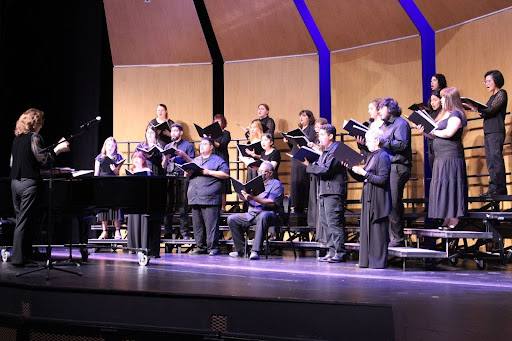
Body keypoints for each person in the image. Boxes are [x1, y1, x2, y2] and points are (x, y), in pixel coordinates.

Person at [10, 108, 70, 267]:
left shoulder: (17, 139)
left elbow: (12, 162)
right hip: (29, 184)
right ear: (34, 122)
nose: (42, 126)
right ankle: (17, 259)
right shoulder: (34, 137)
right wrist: (59, 149)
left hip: (15, 183)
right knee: (24, 222)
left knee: (22, 221)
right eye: (41, 123)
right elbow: (44, 160)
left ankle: (24, 257)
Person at [417, 87, 468, 229]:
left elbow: (448, 132)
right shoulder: (443, 114)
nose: (442, 100)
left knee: (451, 185)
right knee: (443, 185)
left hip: (451, 156)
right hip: (440, 157)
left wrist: (433, 130)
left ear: (451, 99)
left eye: (444, 97)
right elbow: (435, 134)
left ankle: (454, 218)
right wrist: (425, 132)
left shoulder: (456, 114)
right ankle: (446, 216)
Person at [345, 128, 392, 268]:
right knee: (367, 229)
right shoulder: (372, 156)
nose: (367, 144)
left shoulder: (383, 155)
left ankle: (377, 262)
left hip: (378, 198)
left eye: (369, 141)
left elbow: (383, 179)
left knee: (377, 231)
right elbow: (363, 176)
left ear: (377, 141)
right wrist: (350, 169)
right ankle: (366, 261)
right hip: (369, 196)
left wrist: (364, 173)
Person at [305, 124, 347, 263]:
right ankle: (332, 251)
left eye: (322, 134)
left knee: (334, 223)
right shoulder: (325, 151)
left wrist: (309, 166)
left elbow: (326, 170)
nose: (320, 137)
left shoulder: (337, 150)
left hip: (333, 192)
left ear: (330, 136)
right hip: (324, 191)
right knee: (326, 223)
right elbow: (319, 166)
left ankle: (340, 252)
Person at [463, 70, 508, 196]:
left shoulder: (501, 93)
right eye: (485, 81)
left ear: (496, 80)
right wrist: (472, 108)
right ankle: (493, 188)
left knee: (496, 159)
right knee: (490, 161)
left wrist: (476, 107)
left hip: (496, 131)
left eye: (489, 81)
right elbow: (485, 112)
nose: (486, 83)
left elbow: (492, 109)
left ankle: (500, 188)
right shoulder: (492, 96)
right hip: (489, 131)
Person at [228, 161, 284, 260]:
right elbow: (246, 198)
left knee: (263, 216)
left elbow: (271, 202)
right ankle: (242, 251)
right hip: (253, 214)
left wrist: (253, 197)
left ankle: (256, 250)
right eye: (259, 171)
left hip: (270, 215)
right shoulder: (256, 183)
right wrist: (241, 194)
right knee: (232, 219)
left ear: (270, 173)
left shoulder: (276, 184)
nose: (260, 173)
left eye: (263, 172)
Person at [186, 137, 230, 256]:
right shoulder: (195, 160)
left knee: (211, 225)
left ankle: (213, 247)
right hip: (195, 197)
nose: (201, 146)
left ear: (211, 147)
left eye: (205, 144)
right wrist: (187, 173)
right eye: (200, 144)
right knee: (197, 225)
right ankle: (200, 247)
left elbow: (226, 174)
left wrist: (209, 172)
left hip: (210, 197)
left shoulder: (217, 160)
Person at [378, 97, 412, 247]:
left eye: (382, 108)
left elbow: (402, 145)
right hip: (386, 167)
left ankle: (397, 238)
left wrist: (382, 142)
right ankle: (389, 237)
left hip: (397, 166)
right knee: (386, 203)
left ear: (390, 109)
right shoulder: (384, 126)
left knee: (394, 202)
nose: (379, 111)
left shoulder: (400, 124)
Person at [161, 123, 195, 239]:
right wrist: (165, 158)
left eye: (176, 131)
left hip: (182, 176)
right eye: (172, 131)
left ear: (180, 132)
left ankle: (184, 232)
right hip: (170, 176)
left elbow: (192, 162)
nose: (173, 133)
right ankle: (167, 232)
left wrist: (183, 155)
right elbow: (163, 166)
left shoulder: (187, 146)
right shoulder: (168, 146)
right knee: (168, 206)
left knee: (182, 206)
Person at [127, 152, 160, 257]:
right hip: (133, 200)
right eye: (134, 158)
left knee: (142, 221)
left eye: (139, 158)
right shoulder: (131, 171)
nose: (136, 160)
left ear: (143, 160)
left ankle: (143, 245)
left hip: (143, 200)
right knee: (134, 220)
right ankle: (134, 246)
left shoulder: (147, 171)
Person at [285, 110, 316, 213]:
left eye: (303, 116)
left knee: (303, 180)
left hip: (304, 158)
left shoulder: (311, 128)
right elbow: (294, 145)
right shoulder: (299, 129)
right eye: (300, 116)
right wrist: (288, 141)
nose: (301, 118)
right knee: (295, 181)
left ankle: (304, 206)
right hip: (296, 158)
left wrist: (301, 141)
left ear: (309, 118)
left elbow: (310, 140)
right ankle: (296, 205)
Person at [94, 137, 124, 239]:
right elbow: (96, 173)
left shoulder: (118, 157)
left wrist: (114, 169)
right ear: (105, 146)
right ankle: (104, 231)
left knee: (115, 207)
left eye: (112, 145)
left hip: (114, 184)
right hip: (103, 185)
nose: (110, 147)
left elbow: (117, 173)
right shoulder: (100, 158)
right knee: (103, 208)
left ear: (115, 147)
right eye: (108, 145)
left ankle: (117, 231)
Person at [307, 117, 328, 242]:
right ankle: (316, 230)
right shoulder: (316, 140)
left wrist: (315, 147)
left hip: (323, 174)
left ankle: (322, 235)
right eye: (315, 127)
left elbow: (325, 154)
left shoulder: (326, 142)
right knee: (314, 200)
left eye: (318, 127)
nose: (316, 130)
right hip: (315, 171)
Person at [212, 114, 232, 211]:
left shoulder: (226, 133)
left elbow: (221, 145)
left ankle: (223, 207)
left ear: (223, 123)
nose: (216, 123)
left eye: (219, 121)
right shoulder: (212, 134)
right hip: (213, 158)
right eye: (215, 121)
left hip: (222, 158)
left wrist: (210, 139)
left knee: (223, 183)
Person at [427, 91, 442, 171]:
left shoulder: (445, 114)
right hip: (431, 147)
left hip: (441, 148)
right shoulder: (432, 115)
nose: (432, 103)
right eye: (431, 100)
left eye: (435, 100)